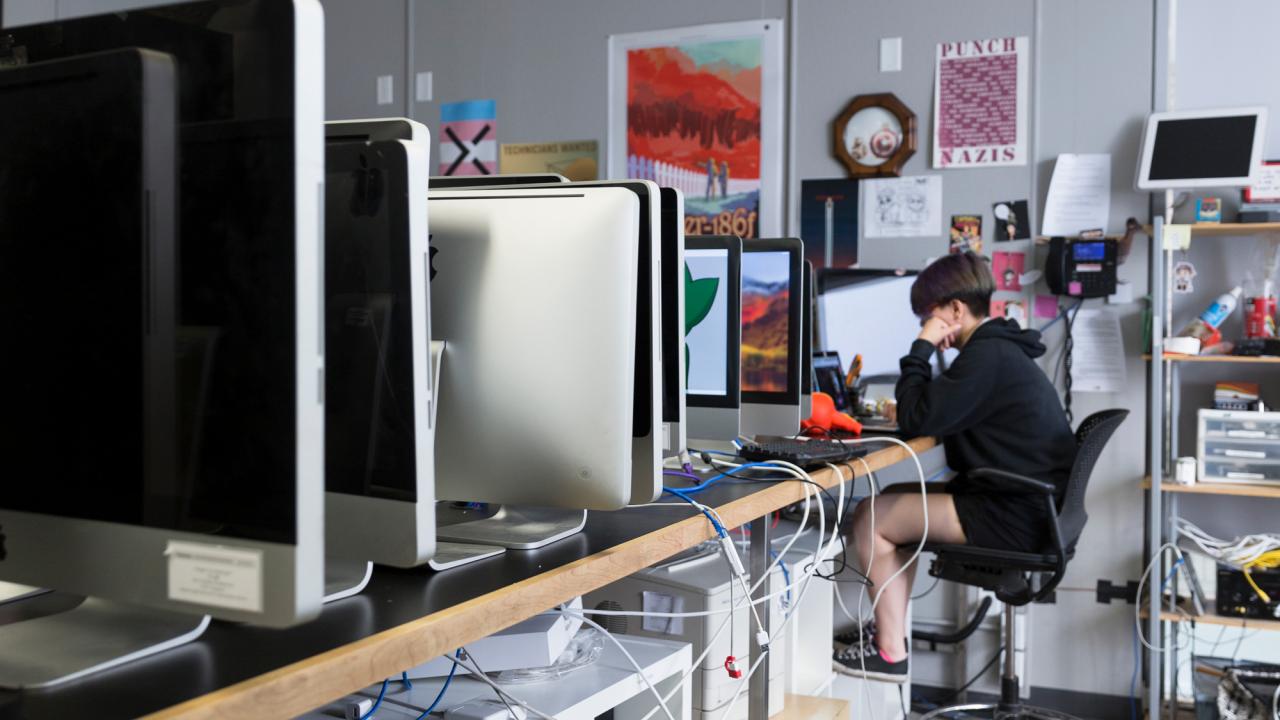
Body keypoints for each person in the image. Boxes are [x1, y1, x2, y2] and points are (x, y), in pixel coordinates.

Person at [833, 252, 1076, 683]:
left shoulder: (986, 357)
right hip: (1027, 502)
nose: (925, 327)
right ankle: (889, 630)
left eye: (928, 317)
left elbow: (916, 418)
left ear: (956, 310)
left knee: (870, 517)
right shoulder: (997, 349)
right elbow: (935, 411)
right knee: (890, 500)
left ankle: (890, 652)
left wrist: (922, 348)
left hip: (1013, 512)